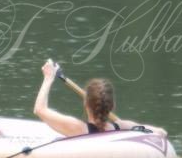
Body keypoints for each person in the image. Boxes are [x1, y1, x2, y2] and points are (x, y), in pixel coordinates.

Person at [33, 59, 167, 137]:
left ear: (85, 103)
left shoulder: (78, 129)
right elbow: (161, 132)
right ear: (112, 106)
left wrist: (48, 78)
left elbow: (39, 109)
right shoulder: (122, 126)